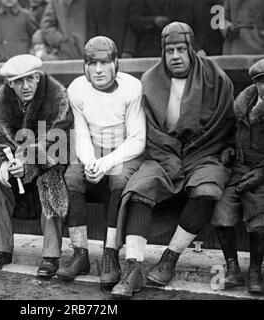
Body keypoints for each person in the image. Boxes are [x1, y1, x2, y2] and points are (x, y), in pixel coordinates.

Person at [111, 22, 235, 298]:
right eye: (169, 50)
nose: (175, 56)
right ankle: (133, 269)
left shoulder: (217, 79)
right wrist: (170, 158)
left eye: (181, 49)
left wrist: (213, 154)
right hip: (163, 154)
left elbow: (224, 126)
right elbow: (150, 131)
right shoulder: (150, 81)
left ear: (191, 50)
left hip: (204, 152)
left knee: (208, 187)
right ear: (162, 53)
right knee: (138, 189)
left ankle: (170, 257)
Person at [0, 54, 74, 275]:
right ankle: (0, 250)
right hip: (16, 168)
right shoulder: (2, 102)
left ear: (38, 77)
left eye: (29, 79)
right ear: (10, 83)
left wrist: (26, 162)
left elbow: (58, 140)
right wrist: (3, 164)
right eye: (18, 81)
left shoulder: (57, 98)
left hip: (49, 164)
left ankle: (51, 255)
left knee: (50, 180)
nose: (25, 86)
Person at [56, 36, 146, 288]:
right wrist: (89, 161)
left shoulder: (132, 87)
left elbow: (138, 139)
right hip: (94, 148)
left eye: (105, 62)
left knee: (118, 177)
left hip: (125, 150)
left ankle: (110, 254)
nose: (98, 69)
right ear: (84, 65)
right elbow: (82, 133)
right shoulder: (76, 88)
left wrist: (105, 163)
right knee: (72, 175)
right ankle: (80, 253)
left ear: (116, 63)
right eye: (92, 63)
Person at [212, 59, 264, 295]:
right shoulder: (243, 104)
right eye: (261, 82)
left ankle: (255, 270)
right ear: (255, 84)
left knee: (260, 223)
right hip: (239, 169)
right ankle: (232, 266)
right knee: (222, 214)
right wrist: (229, 149)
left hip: (262, 173)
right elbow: (231, 134)